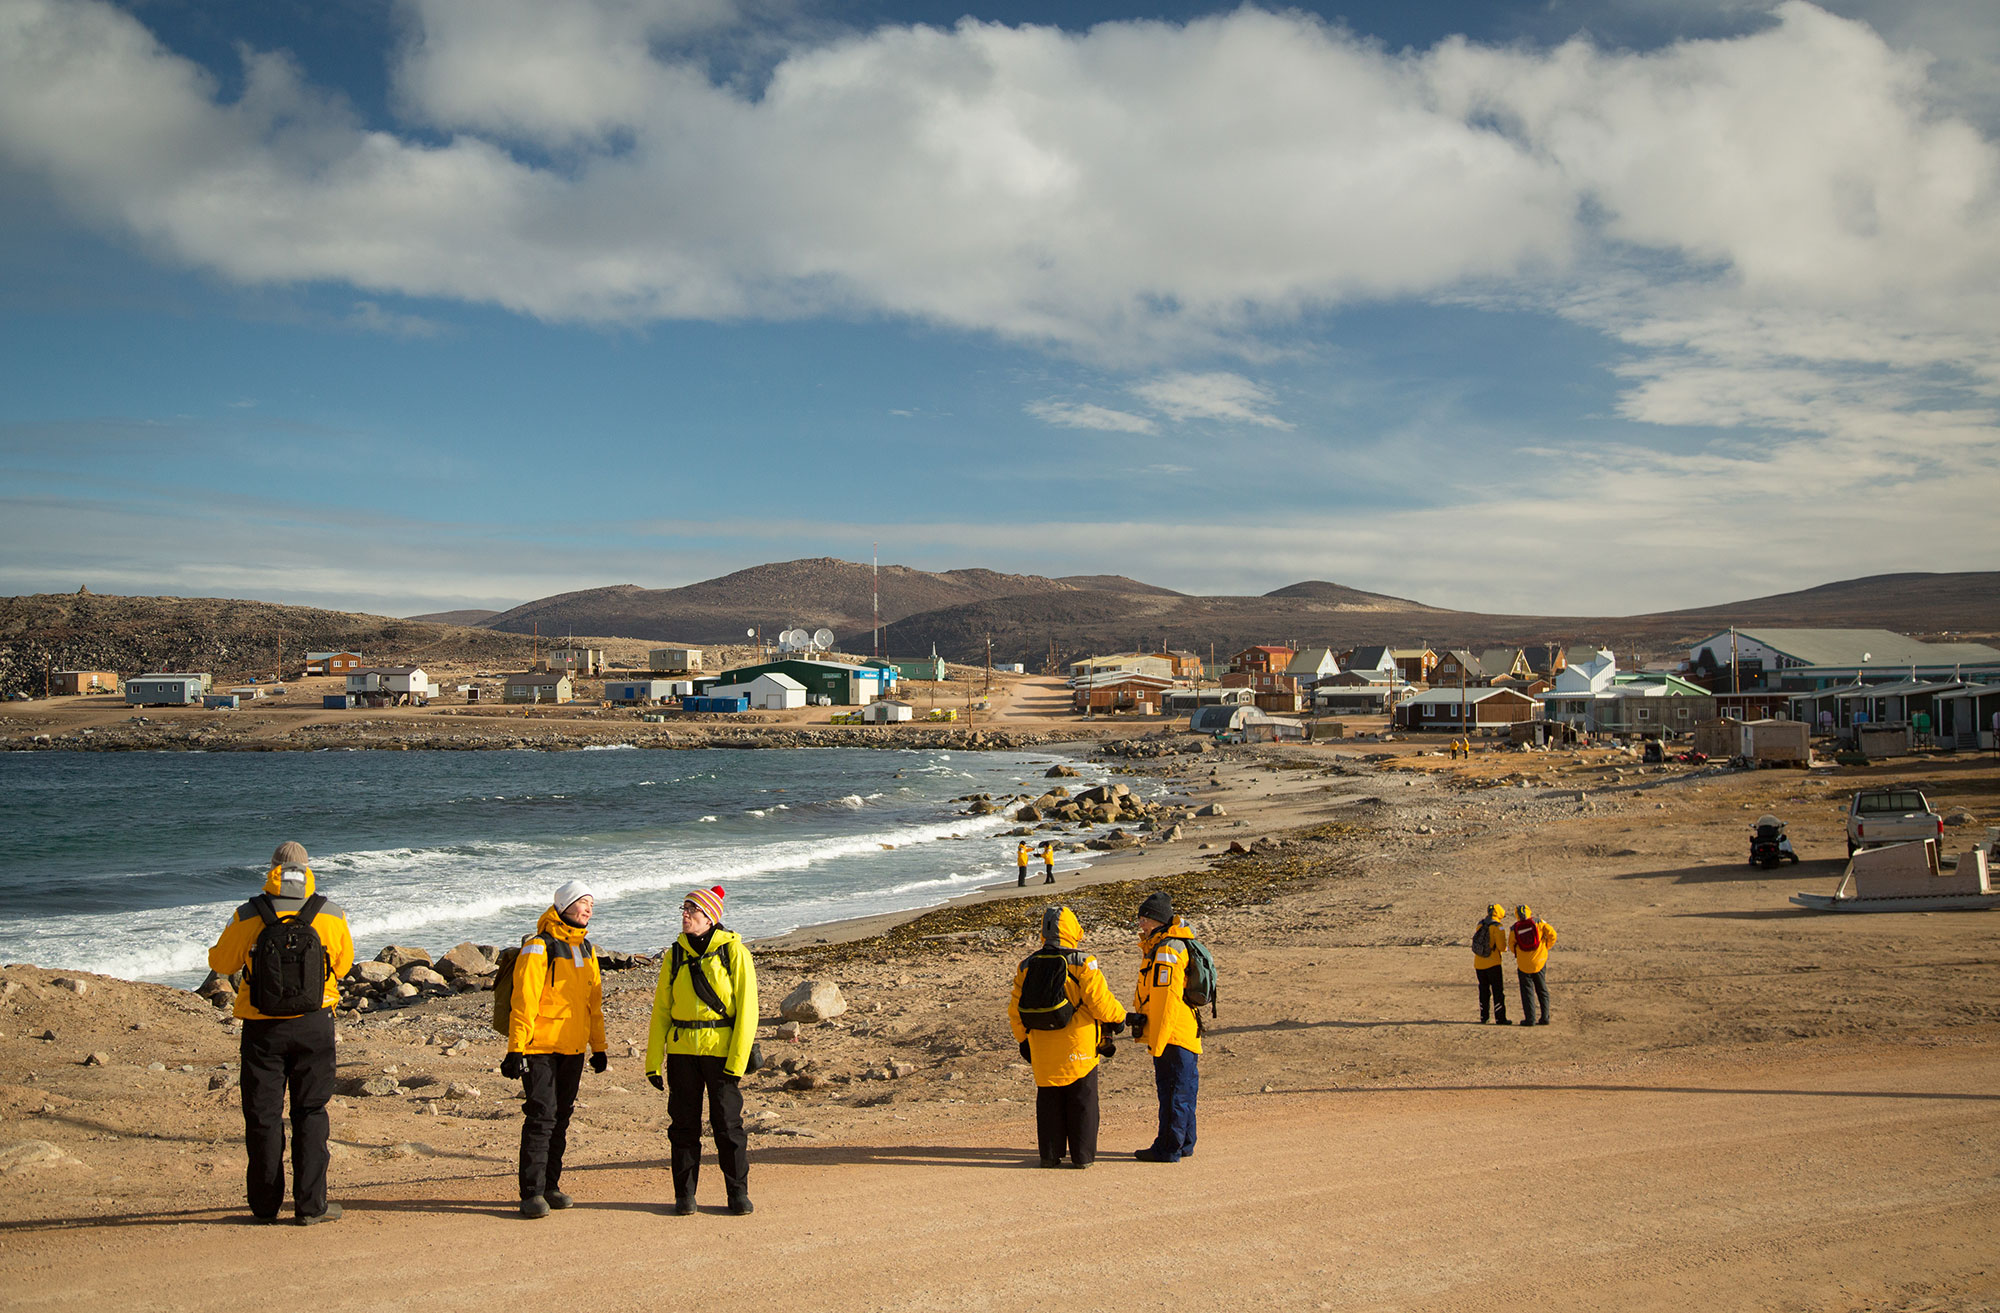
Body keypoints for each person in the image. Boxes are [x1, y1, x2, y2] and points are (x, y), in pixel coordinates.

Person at [207, 841, 355, 1225]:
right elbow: (343, 963)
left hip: (262, 1026)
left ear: (272, 869)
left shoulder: (247, 914)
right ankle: (311, 1207)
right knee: (311, 1112)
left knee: (263, 1116)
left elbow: (221, 962)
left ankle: (264, 1206)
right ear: (307, 870)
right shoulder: (331, 913)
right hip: (315, 1023)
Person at [646, 885, 758, 1215]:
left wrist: (737, 1061)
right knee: (683, 1126)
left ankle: (737, 1193)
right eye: (684, 908)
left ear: (709, 917)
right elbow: (662, 1011)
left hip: (721, 1055)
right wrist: (654, 1061)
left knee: (728, 1126)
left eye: (692, 910)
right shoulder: (675, 955)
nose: (685, 914)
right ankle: (685, 1196)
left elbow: (748, 1011)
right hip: (682, 1054)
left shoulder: (734, 952)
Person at [502, 879, 607, 1219]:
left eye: (591, 903)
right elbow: (524, 1000)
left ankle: (550, 1186)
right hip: (539, 1048)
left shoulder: (587, 948)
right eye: (582, 902)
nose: (589, 908)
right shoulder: (538, 946)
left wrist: (599, 1047)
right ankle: (531, 1193)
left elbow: (594, 1004)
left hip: (574, 1048)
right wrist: (515, 1049)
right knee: (541, 1117)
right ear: (564, 907)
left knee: (561, 1117)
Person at [1007, 905, 1126, 1168]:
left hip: (1042, 1045)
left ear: (1044, 932)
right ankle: (1082, 1157)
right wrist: (1119, 1019)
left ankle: (1050, 1155)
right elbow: (1100, 1003)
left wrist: (1023, 1041)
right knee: (1083, 1101)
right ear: (1073, 929)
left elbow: (1015, 1009)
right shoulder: (1084, 962)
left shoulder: (1027, 965)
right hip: (1079, 1045)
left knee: (1049, 1102)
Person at [1130, 891, 1202, 1163]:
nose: (1141, 924)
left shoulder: (1167, 950)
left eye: (1145, 918)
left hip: (1173, 1033)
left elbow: (1166, 1000)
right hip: (1182, 1031)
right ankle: (1184, 1143)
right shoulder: (1167, 945)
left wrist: (1157, 1041)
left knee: (1173, 1093)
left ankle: (1168, 1148)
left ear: (1158, 920)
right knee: (1183, 1091)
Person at [1510, 903, 1558, 1026]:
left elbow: (1511, 945)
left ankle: (1530, 1019)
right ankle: (1545, 1017)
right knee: (1542, 989)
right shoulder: (1539, 922)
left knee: (1527, 992)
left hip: (1523, 965)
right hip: (1539, 962)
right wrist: (1546, 947)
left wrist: (1519, 953)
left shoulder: (1514, 928)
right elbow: (1553, 935)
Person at [1472, 903, 1511, 1025]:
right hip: (1493, 963)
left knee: (1483, 990)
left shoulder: (1480, 924)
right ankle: (1500, 1018)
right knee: (1497, 991)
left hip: (1479, 963)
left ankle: (1484, 1017)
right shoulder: (1497, 927)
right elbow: (1501, 947)